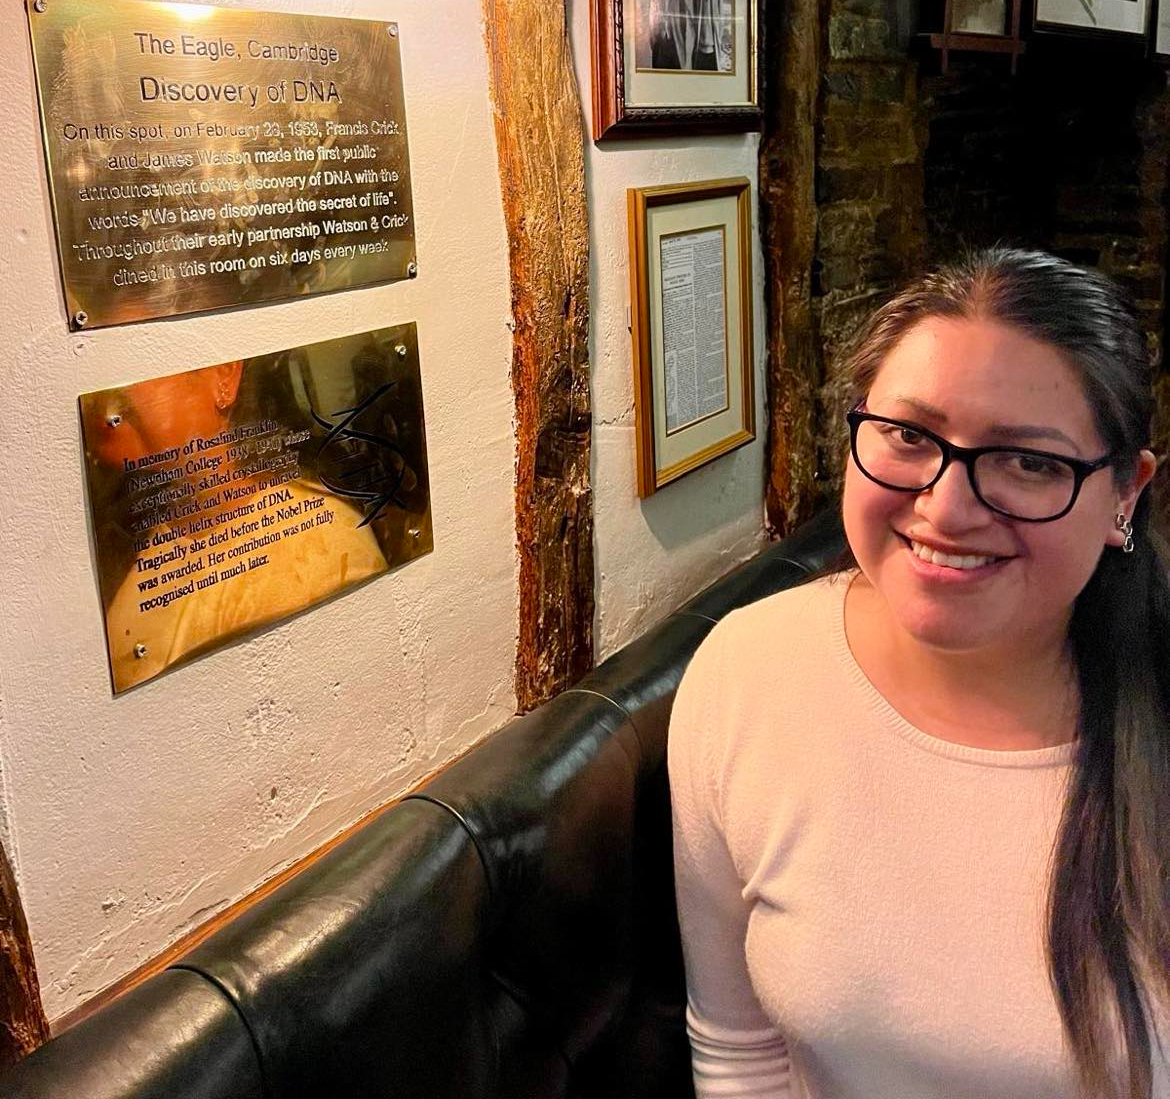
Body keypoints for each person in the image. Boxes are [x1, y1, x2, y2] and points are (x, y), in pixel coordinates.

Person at [668, 247, 1170, 1098]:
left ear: (1125, 492)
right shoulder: (749, 674)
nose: (947, 507)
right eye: (908, 435)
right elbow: (738, 1047)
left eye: (1030, 461)